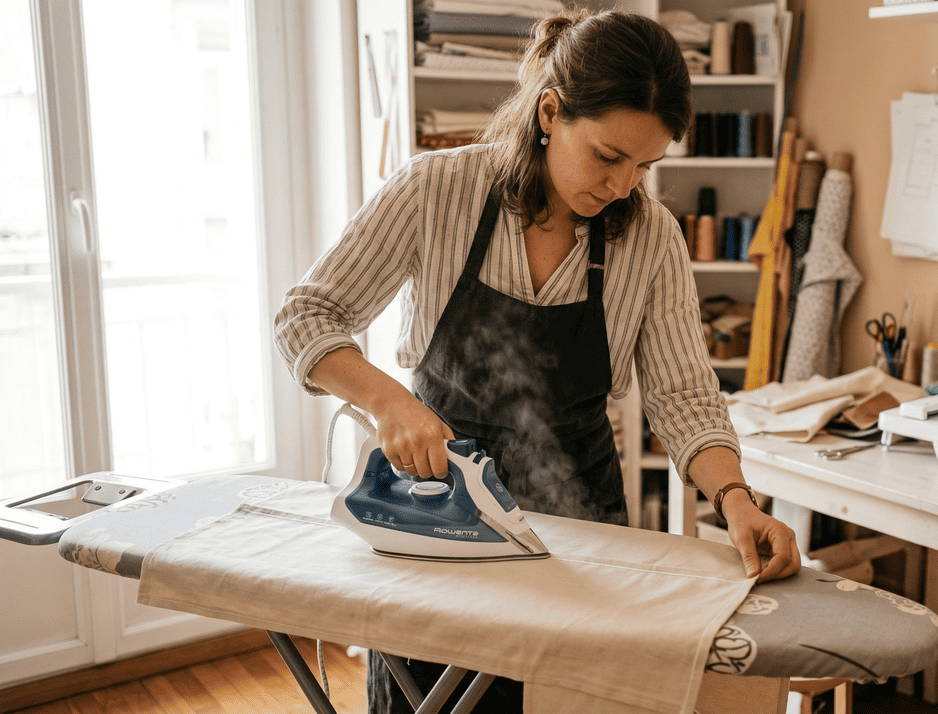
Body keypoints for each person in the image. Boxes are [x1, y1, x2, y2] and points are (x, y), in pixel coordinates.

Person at [274, 8, 800, 712]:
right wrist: (390, 403)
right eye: (609, 157)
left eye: (645, 165)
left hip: (580, 539)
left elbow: (683, 398)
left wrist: (736, 500)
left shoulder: (651, 237)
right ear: (550, 112)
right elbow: (306, 316)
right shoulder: (437, 190)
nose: (623, 187)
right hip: (438, 523)